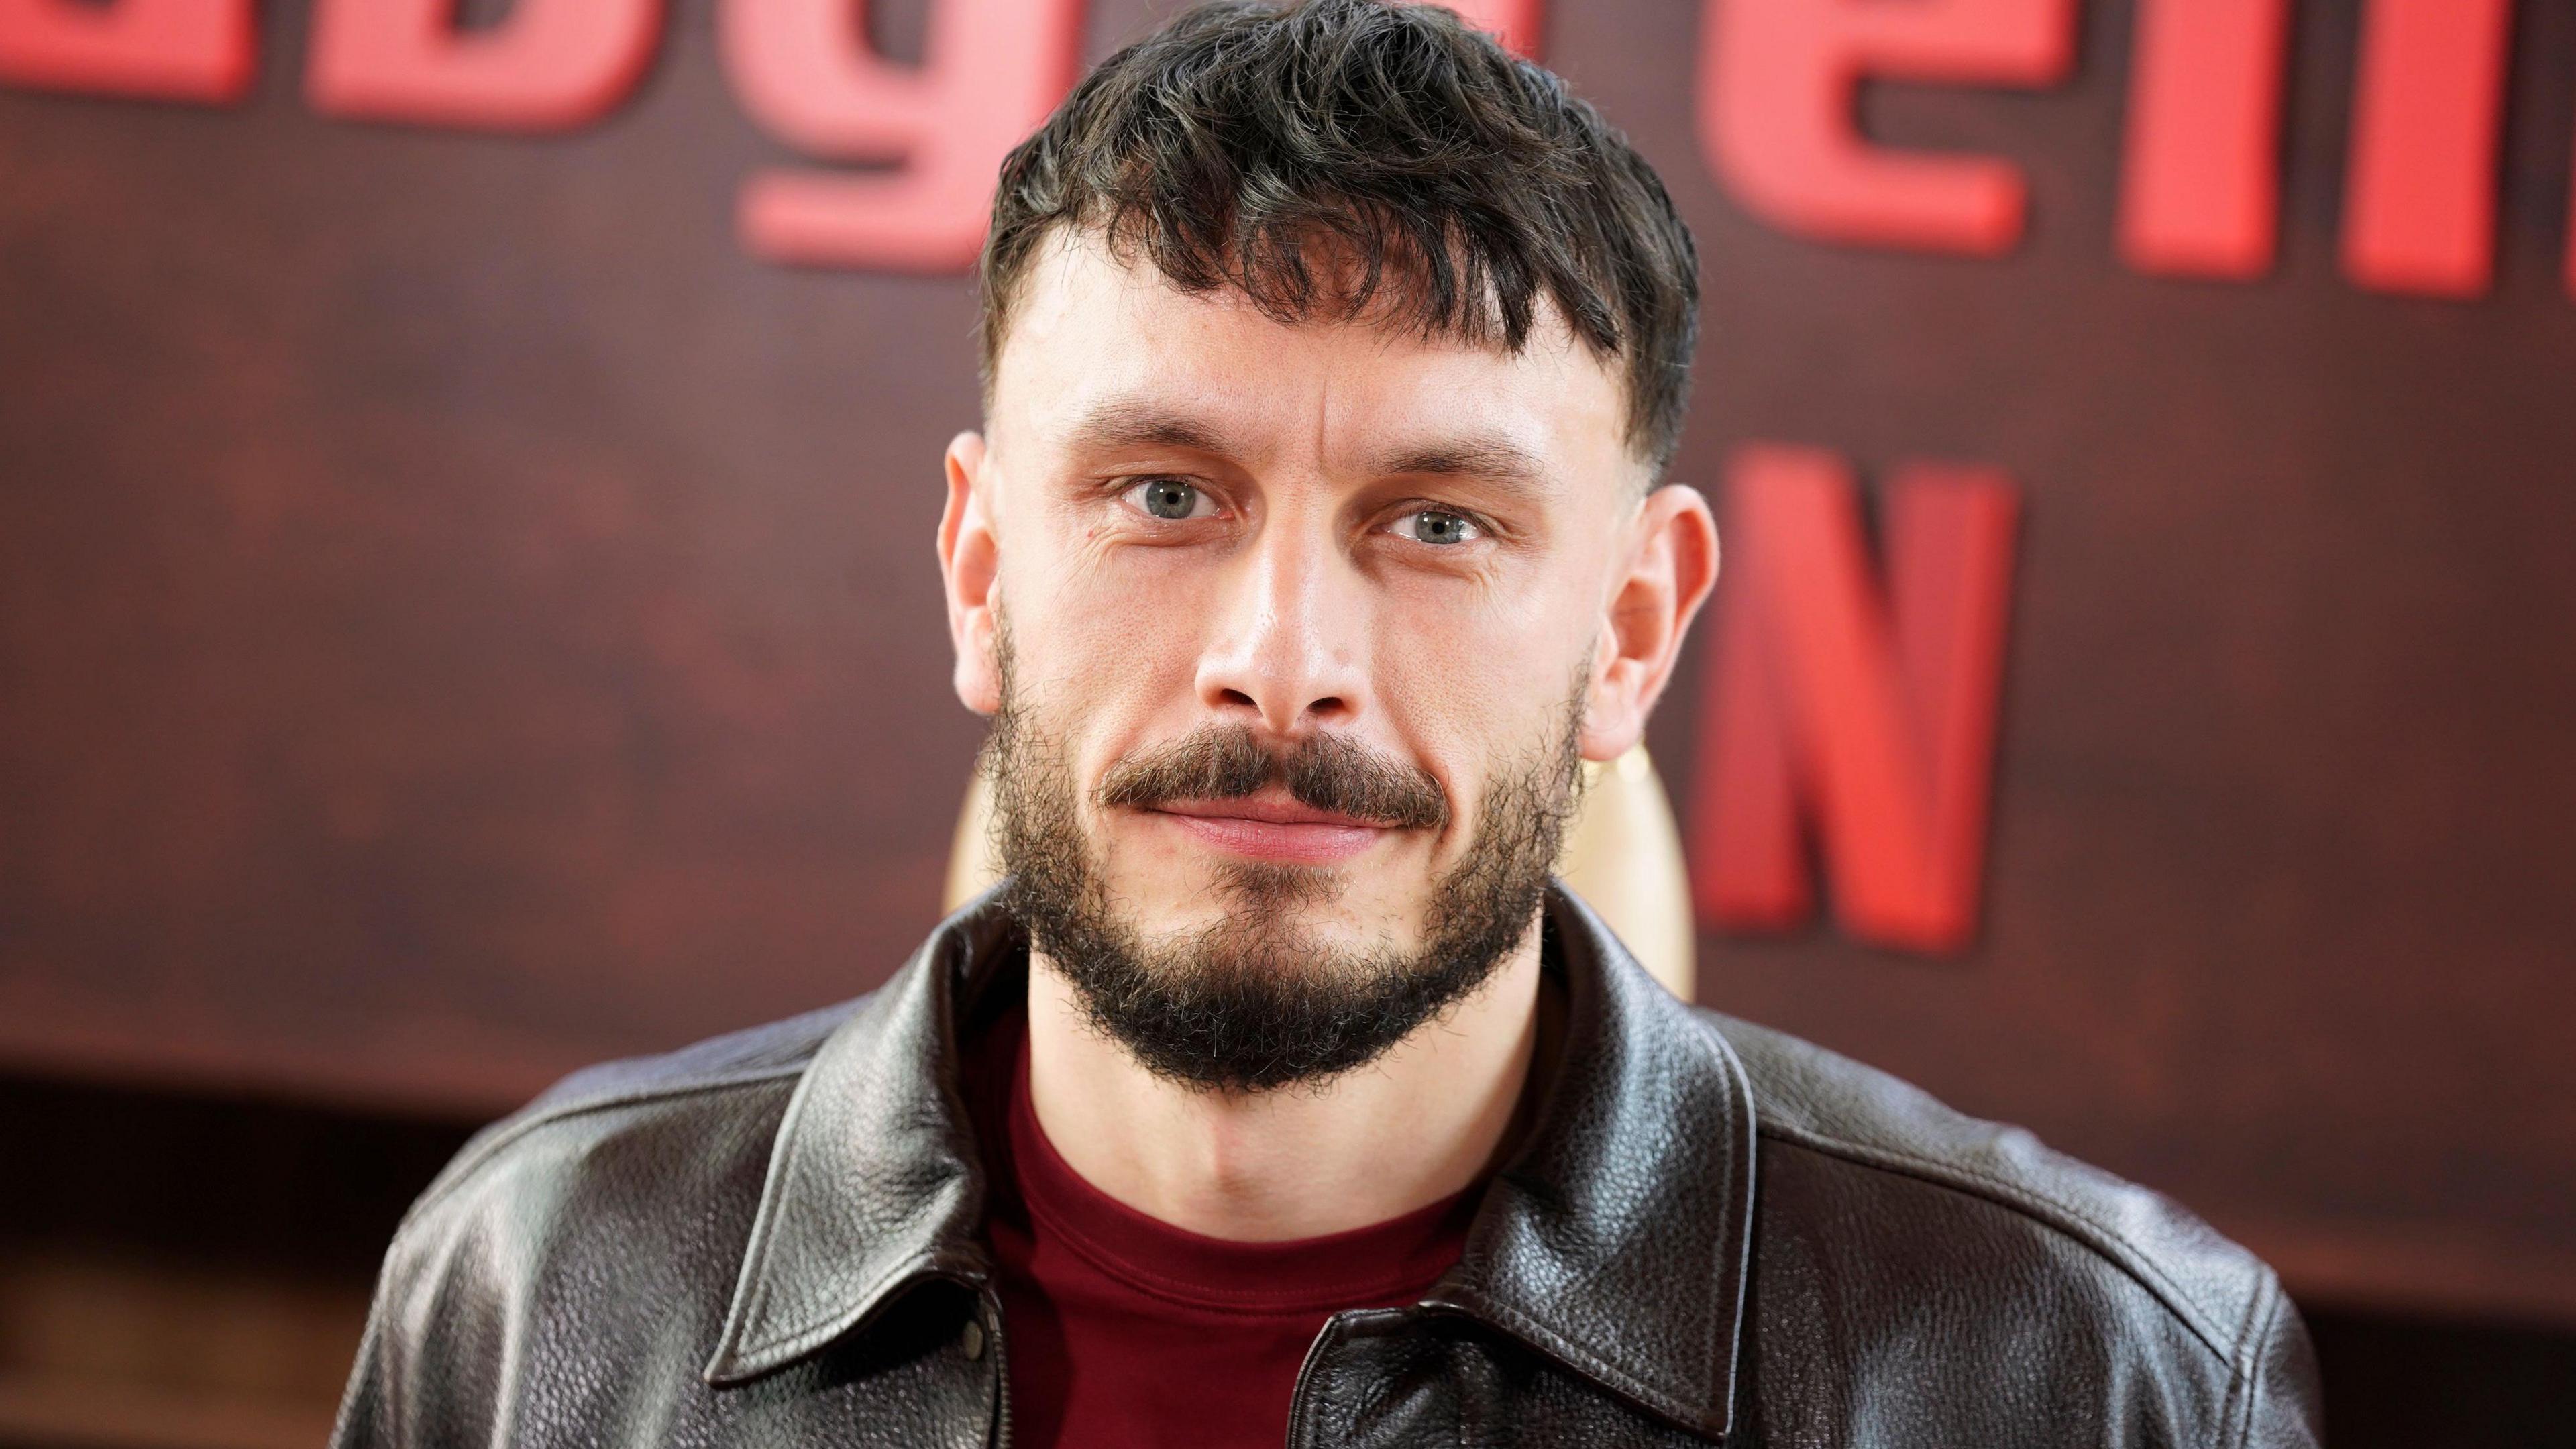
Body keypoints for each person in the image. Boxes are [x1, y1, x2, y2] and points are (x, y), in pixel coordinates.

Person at [329, 1, 2323, 1444]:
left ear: (1633, 625)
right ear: (976, 569)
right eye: (1164, 495)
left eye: (1440, 523)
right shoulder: (538, 1294)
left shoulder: (2098, 1380)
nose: (1283, 663)